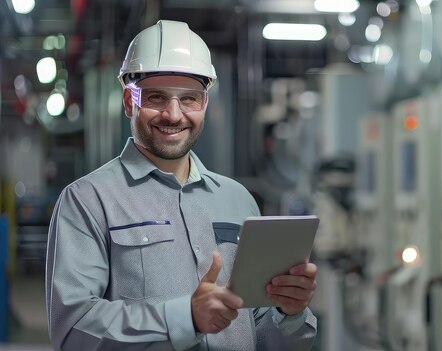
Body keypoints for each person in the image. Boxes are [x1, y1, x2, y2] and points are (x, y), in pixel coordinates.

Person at [45, 19, 318, 351]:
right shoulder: (88, 201)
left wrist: (288, 312)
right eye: (156, 97)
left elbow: (261, 336)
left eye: (189, 99)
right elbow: (73, 332)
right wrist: (184, 318)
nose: (173, 115)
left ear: (204, 104)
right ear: (129, 101)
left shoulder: (238, 200)